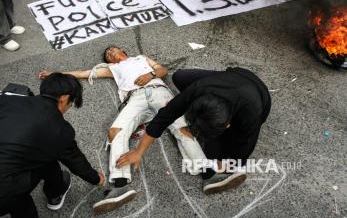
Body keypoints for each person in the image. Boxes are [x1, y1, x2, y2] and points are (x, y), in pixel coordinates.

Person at [39, 46, 208, 215]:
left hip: (157, 90)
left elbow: (162, 69)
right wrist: (56, 75)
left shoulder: (141, 58)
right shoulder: (114, 68)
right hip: (135, 98)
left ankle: (208, 172)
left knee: (181, 128)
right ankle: (120, 184)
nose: (111, 53)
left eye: (113, 49)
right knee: (115, 132)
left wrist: (150, 74)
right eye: (108, 54)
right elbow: (84, 73)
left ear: (123, 51)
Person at [116, 67, 272, 194]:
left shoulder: (250, 114)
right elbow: (163, 118)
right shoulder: (197, 90)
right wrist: (138, 151)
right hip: (231, 77)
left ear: (227, 126)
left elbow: (244, 147)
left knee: (214, 154)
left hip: (257, 94)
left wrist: (225, 163)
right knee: (180, 76)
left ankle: (220, 149)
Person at [0, 73, 105, 218]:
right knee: (22, 204)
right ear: (64, 98)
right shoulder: (60, 129)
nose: (68, 107)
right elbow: (75, 161)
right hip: (4, 192)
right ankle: (55, 193)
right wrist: (96, 178)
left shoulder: (7, 100)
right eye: (71, 103)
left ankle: (55, 191)